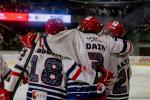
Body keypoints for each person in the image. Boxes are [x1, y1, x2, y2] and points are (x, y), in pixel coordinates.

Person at [0, 18, 112, 100]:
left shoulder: (35, 43)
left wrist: (9, 91)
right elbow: (74, 72)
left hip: (32, 94)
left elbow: (20, 69)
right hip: (56, 95)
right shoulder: (67, 49)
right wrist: (98, 76)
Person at [39, 16, 133, 99]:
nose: (105, 32)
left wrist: (37, 39)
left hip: (78, 88)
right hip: (99, 89)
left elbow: (49, 40)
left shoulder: (75, 35)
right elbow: (129, 47)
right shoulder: (107, 41)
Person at [102, 20, 132, 100]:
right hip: (124, 93)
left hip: (110, 94)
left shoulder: (108, 51)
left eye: (108, 31)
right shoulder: (125, 49)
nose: (105, 33)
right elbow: (130, 74)